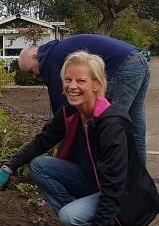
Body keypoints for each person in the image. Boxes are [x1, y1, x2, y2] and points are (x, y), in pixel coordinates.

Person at [0, 51, 159, 226]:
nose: (72, 86)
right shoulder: (72, 111)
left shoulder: (111, 124)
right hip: (94, 180)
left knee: (70, 216)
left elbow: (116, 185)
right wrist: (10, 166)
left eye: (80, 80)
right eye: (68, 80)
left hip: (126, 197)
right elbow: (43, 140)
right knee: (39, 165)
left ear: (97, 85)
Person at [17, 34, 150, 162]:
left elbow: (64, 111)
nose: (34, 76)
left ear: (35, 57)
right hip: (138, 60)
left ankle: (103, 181)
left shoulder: (50, 62)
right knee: (135, 132)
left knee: (106, 128)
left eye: (30, 71)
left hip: (122, 67)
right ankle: (139, 181)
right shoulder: (56, 51)